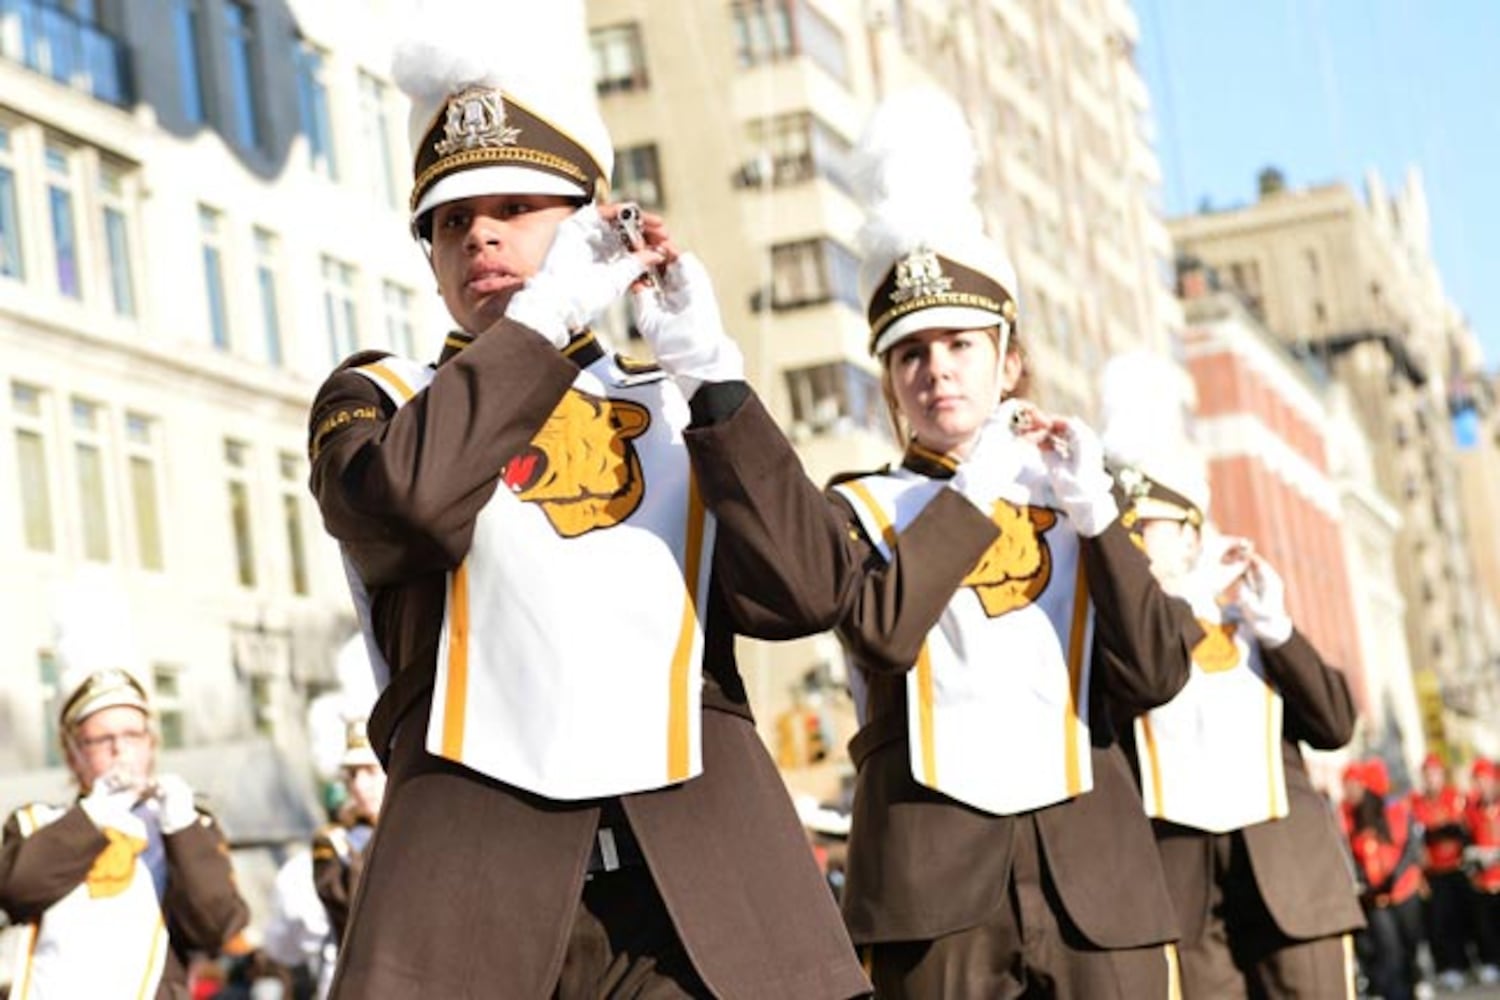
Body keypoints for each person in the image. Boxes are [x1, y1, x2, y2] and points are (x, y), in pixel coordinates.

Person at [305, 4, 868, 996]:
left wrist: (716, 375)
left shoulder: (678, 400)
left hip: (699, 892)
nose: (481, 233)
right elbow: (412, 511)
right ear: (429, 258)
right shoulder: (379, 404)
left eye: (518, 205)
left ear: (587, 223)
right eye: (451, 221)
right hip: (478, 900)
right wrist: (547, 313)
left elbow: (810, 590)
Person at [823, 88, 1197, 998]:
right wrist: (982, 482)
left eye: (959, 344)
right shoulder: (860, 505)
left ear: (1010, 361)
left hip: (1095, 881)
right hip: (931, 888)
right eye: (910, 354)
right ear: (887, 380)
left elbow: (1154, 673)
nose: (937, 370)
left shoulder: (1081, 499)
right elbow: (880, 633)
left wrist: (1100, 520)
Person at [1096, 352, 1367, 998]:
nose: (1129, 547)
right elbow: (1140, 679)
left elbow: (1333, 723)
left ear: (1192, 536)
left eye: (1144, 530)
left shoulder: (1249, 618)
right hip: (1184, 894)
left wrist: (1276, 628)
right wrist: (1183, 603)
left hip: (1290, 879)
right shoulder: (1118, 632)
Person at [0, 668, 249, 997]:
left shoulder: (186, 826)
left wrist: (181, 827)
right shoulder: (38, 822)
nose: (119, 749)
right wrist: (96, 815)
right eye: (101, 739)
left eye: (132, 735)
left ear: (151, 744)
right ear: (73, 754)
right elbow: (16, 889)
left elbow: (215, 928)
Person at [310, 719, 384, 949]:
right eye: (352, 774)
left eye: (370, 771)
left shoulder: (419, 827)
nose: (360, 785)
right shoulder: (334, 841)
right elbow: (356, 909)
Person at [1410, 751, 1475, 991]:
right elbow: (1417, 839)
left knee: (1467, 918)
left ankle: (1471, 962)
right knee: (1441, 922)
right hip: (1435, 873)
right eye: (1427, 775)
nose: (1431, 780)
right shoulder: (1415, 804)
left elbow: (1465, 829)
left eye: (1435, 775)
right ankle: (1449, 967)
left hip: (1459, 868)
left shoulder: (1454, 798)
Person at [1465, 757, 1500, 985]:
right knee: (1487, 927)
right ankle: (1492, 961)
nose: (1482, 786)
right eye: (1478, 781)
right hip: (1483, 880)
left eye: (1485, 780)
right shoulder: (1470, 810)